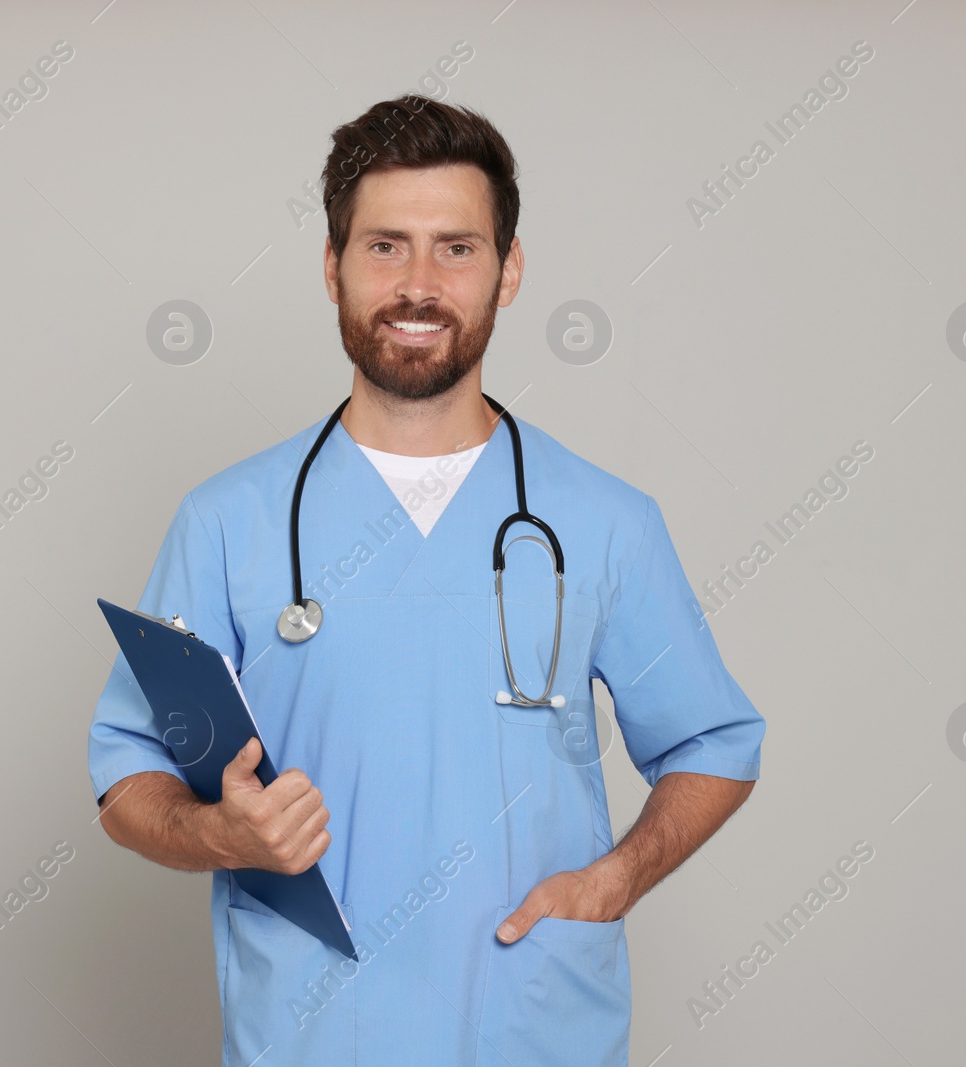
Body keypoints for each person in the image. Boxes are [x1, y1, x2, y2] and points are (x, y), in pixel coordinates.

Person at [89, 94, 765, 1067]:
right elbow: (127, 777)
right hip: (314, 1025)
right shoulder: (227, 519)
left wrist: (614, 880)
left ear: (509, 268)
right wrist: (218, 832)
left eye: (455, 247)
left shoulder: (604, 521)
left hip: (528, 1017)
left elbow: (714, 740)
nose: (417, 283)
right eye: (383, 246)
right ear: (332, 268)